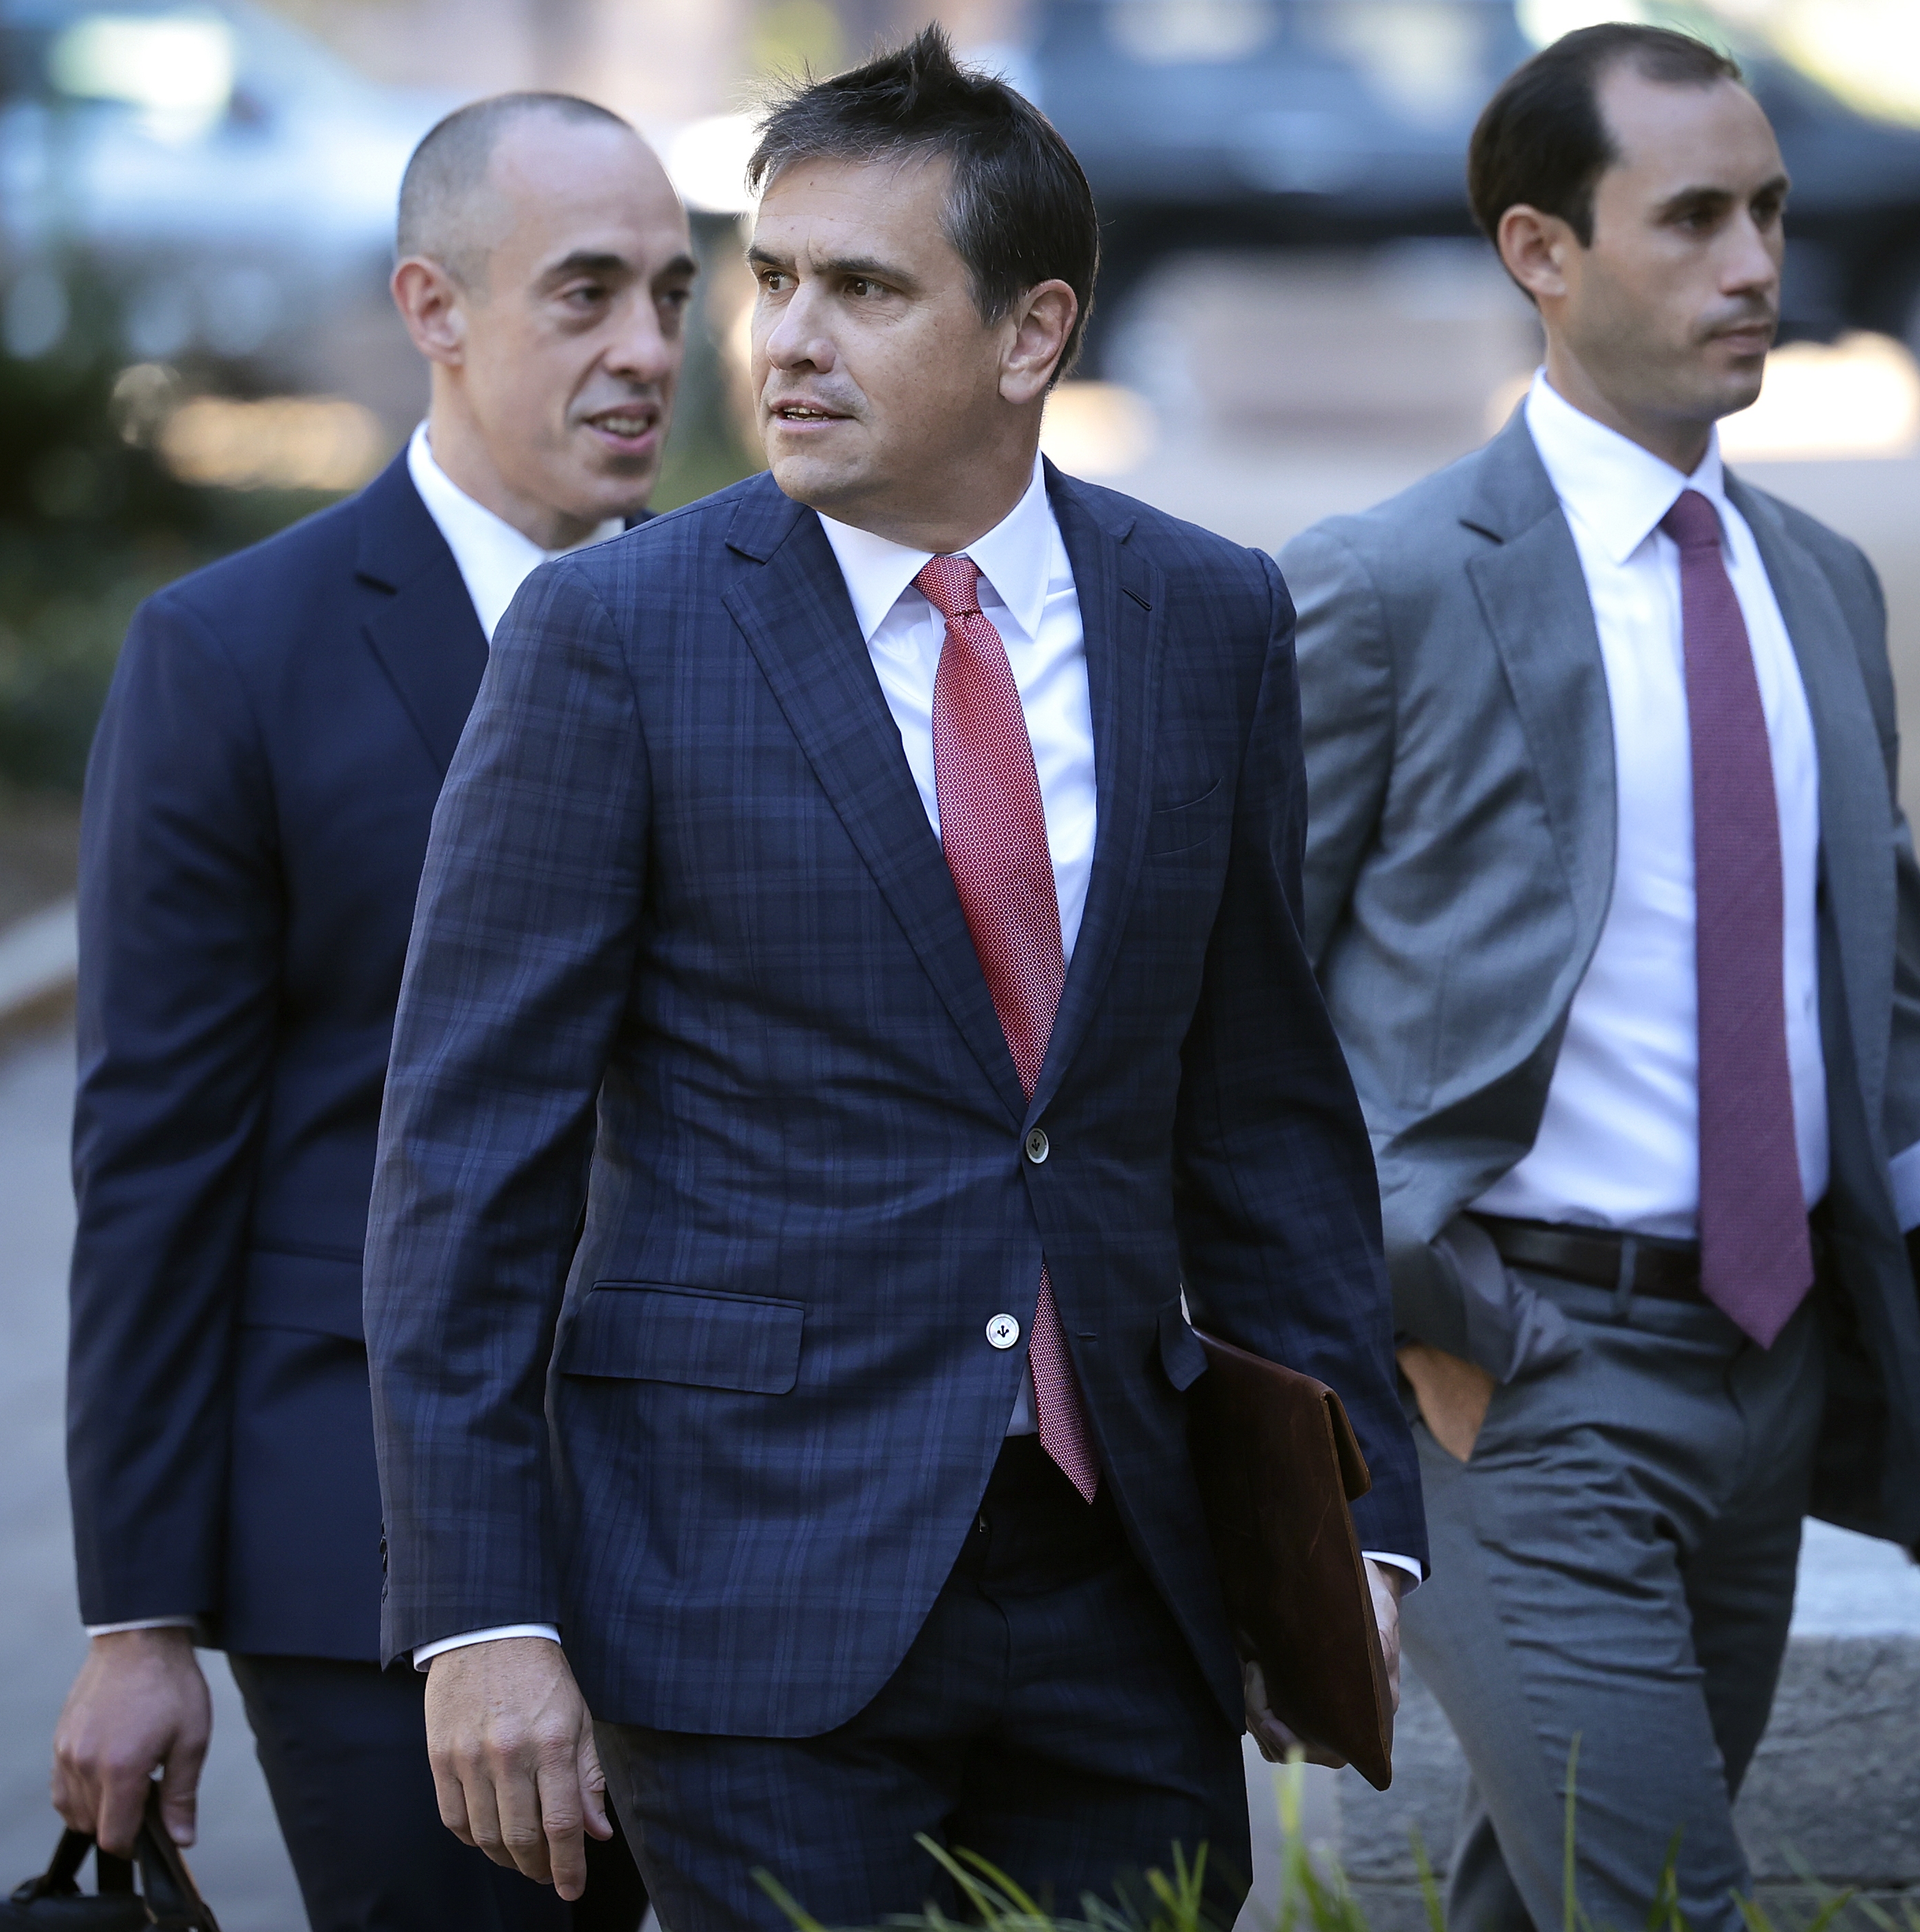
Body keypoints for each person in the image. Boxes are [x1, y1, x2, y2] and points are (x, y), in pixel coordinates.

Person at [359, 29, 1424, 1932]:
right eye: (770, 279)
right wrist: (480, 1611)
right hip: (744, 1593)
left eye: (860, 288)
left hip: (1132, 1582)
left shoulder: (1206, 617)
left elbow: (1263, 1105)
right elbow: (467, 1161)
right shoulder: (612, 640)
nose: (779, 338)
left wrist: (1348, 1535)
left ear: (1029, 336)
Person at [1285, 25, 1920, 1932]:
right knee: (1670, 1902)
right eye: (1689, 220)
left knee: (1559, 1897)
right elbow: (1229, 1007)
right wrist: (1394, 1330)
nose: (1753, 261)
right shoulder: (1383, 585)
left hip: (1769, 1377)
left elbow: (1897, 1032)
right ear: (1538, 250)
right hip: (1511, 1380)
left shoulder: (1819, 582)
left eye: (1765, 210)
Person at [52, 92, 692, 1932]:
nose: (646, 348)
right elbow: (157, 1164)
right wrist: (138, 1620)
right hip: (368, 1554)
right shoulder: (232, 655)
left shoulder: (751, 617)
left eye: (667, 292)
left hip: (725, 1525)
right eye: (582, 295)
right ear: (434, 306)